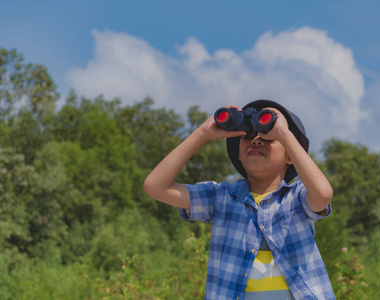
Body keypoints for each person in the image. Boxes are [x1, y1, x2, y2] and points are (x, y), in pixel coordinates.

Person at [143, 99, 335, 300]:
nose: (256, 140)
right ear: (239, 154)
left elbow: (323, 195)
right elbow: (155, 187)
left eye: (268, 137)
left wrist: (284, 134)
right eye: (248, 135)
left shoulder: (297, 197)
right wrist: (202, 134)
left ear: (290, 157)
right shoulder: (221, 197)